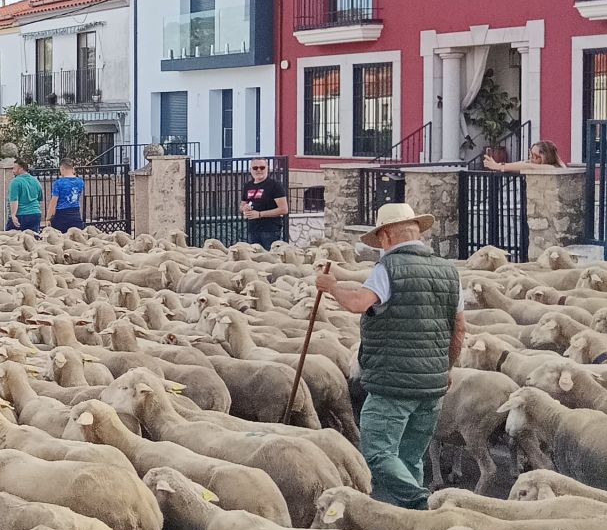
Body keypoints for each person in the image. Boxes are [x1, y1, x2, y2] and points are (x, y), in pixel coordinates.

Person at [316, 203, 464, 510]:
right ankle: (406, 522)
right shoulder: (449, 271)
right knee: (410, 456)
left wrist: (331, 287)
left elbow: (358, 303)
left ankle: (423, 504)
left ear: (385, 237)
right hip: (433, 385)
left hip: (392, 384)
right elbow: (459, 329)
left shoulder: (388, 269)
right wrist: (446, 368)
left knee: (378, 453)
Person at [240, 160, 289, 248]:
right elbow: (242, 205)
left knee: (270, 258)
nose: (259, 170)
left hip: (270, 230)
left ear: (267, 169)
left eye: (262, 167)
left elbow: (284, 209)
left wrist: (259, 214)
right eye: (255, 168)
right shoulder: (248, 186)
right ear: (250, 169)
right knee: (255, 258)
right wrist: (244, 208)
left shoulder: (275, 185)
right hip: (253, 229)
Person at [50, 161, 86, 232]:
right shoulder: (80, 182)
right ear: (72, 168)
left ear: (62, 168)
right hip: (75, 212)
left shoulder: (58, 183)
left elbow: (53, 202)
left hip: (61, 214)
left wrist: (48, 218)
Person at [6, 160, 42, 231]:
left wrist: (13, 215)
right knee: (33, 239)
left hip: (21, 215)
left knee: (12, 239)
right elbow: (39, 197)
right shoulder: (35, 181)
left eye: (14, 168)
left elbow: (14, 200)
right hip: (35, 214)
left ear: (21, 169)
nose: (12, 170)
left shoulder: (15, 182)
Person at [484, 140, 561, 173]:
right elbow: (523, 163)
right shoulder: (534, 163)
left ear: (546, 157)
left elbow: (528, 166)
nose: (531, 157)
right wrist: (497, 165)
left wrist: (497, 166)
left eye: (535, 156)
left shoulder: (553, 168)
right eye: (530, 153)